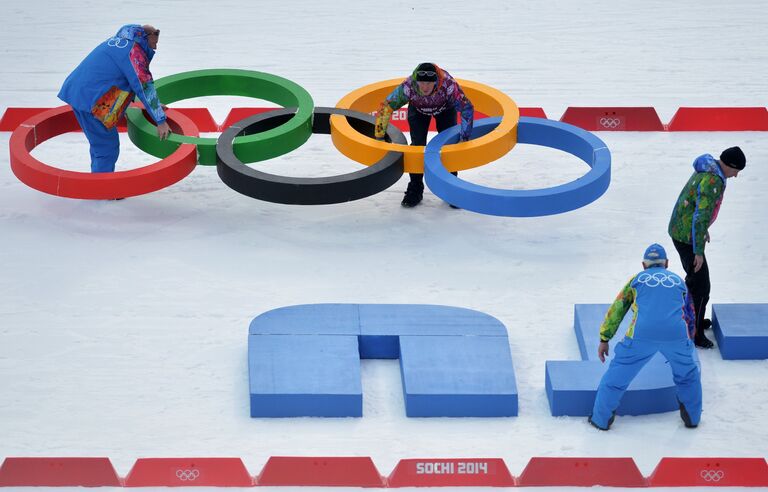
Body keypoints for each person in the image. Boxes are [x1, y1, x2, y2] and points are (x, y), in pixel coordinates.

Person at [588, 243, 702, 431]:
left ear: (644, 265)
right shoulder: (679, 282)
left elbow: (617, 310)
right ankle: (692, 417)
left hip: (641, 335)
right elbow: (690, 312)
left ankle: (600, 420)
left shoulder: (637, 280)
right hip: (676, 336)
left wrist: (604, 338)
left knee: (617, 375)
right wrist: (689, 339)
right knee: (688, 375)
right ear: (666, 263)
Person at [58, 24, 170, 174]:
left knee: (99, 145)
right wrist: (160, 120)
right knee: (106, 147)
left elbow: (122, 79)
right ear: (145, 36)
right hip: (93, 102)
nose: (156, 43)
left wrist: (152, 106)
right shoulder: (134, 53)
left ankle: (97, 183)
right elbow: (144, 85)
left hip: (80, 93)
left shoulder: (119, 43)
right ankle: (101, 190)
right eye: (155, 37)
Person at [668, 146, 746, 349]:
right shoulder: (713, 180)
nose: (736, 176)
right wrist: (698, 250)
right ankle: (695, 333)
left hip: (683, 229)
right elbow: (700, 214)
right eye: (736, 171)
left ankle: (692, 316)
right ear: (729, 165)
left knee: (694, 280)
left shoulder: (709, 168)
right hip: (686, 237)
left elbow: (695, 206)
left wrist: (701, 231)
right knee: (702, 286)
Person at [374, 62, 474, 207]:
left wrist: (464, 138)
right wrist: (380, 136)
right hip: (418, 110)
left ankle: (452, 188)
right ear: (416, 81)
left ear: (437, 82)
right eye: (421, 83)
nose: (425, 87)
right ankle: (415, 188)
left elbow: (466, 108)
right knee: (417, 146)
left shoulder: (448, 84)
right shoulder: (408, 86)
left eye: (429, 83)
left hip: (445, 110)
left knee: (449, 147)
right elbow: (386, 106)